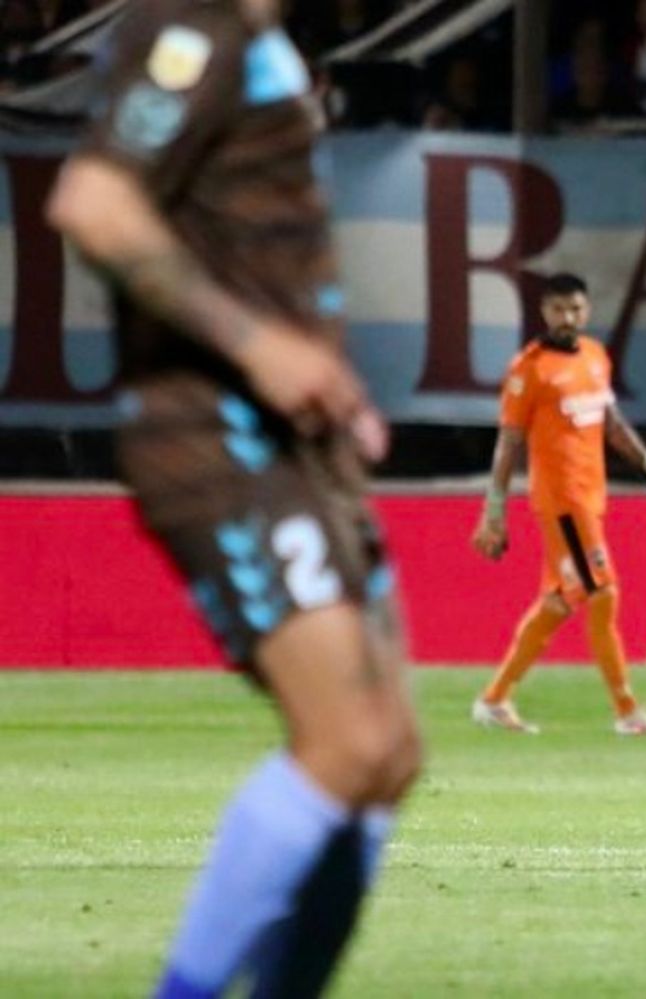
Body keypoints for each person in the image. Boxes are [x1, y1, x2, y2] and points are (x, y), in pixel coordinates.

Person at [46, 2, 422, 994]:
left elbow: (249, 250)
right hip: (213, 435)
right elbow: (94, 201)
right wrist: (261, 349)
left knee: (386, 754)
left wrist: (328, 387)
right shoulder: (191, 23)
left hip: (287, 442)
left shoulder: (257, 39)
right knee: (345, 745)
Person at [470, 273, 646, 736]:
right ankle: (627, 711)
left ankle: (494, 699)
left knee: (560, 601)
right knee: (603, 592)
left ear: (585, 311)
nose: (567, 318)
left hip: (591, 499)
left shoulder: (594, 356)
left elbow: (611, 425)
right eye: (557, 309)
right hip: (562, 502)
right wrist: (493, 512)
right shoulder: (530, 368)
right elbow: (508, 444)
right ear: (543, 312)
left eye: (574, 309)